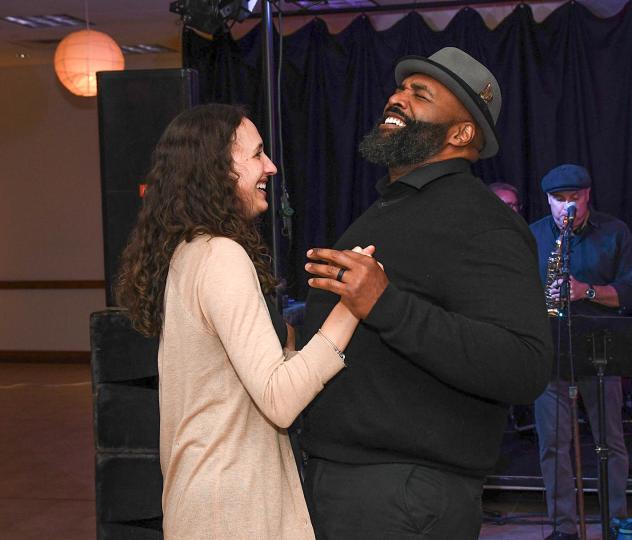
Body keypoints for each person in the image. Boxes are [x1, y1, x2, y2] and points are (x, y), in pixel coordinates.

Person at [300, 47, 553, 539]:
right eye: (399, 89)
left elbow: (524, 365)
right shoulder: (389, 207)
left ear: (461, 134)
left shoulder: (481, 221)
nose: (397, 99)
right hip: (348, 481)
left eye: (421, 94)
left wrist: (386, 304)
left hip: (405, 494)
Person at [114, 103, 366, 539]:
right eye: (256, 154)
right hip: (230, 508)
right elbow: (279, 400)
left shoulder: (191, 252)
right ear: (215, 170)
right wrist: (353, 306)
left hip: (211, 498)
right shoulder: (219, 256)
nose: (270, 165)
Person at [528, 164, 632, 540]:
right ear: (547, 200)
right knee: (553, 447)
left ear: (587, 194)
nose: (566, 208)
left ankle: (616, 522)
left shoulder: (614, 232)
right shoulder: (534, 235)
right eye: (558, 200)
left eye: (572, 198)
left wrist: (585, 291)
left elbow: (630, 291)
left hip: (601, 354)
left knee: (610, 443)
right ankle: (563, 528)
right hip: (550, 352)